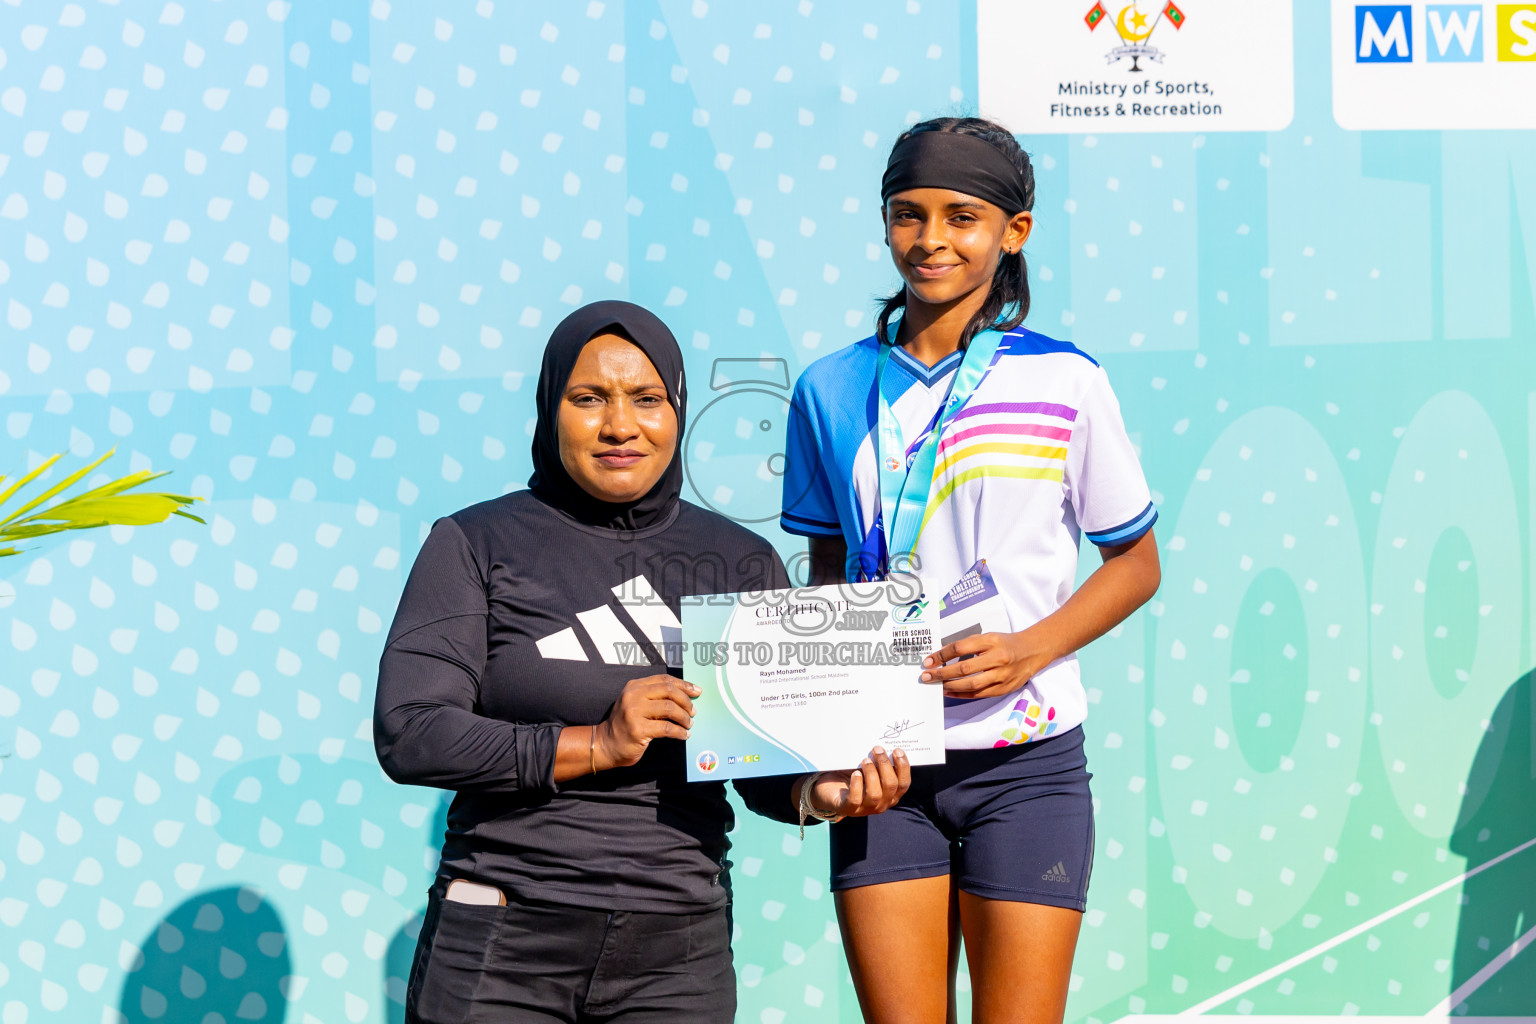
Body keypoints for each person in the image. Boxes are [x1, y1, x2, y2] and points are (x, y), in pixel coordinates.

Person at [374, 300, 911, 1024]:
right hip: (503, 938)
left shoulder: (739, 561)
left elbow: (759, 770)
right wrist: (594, 744)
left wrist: (824, 794)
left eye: (647, 399)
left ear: (679, 410)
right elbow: (411, 730)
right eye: (588, 398)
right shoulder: (475, 542)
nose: (620, 425)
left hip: (675, 955)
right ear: (549, 408)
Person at [779, 118, 1163, 1024]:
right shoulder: (829, 387)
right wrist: (818, 700)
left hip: (1026, 767)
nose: (932, 241)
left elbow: (1137, 563)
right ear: (885, 224)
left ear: (1013, 232)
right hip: (883, 766)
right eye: (908, 216)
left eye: (963, 216)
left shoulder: (1067, 380)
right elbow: (829, 568)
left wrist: (1031, 648)